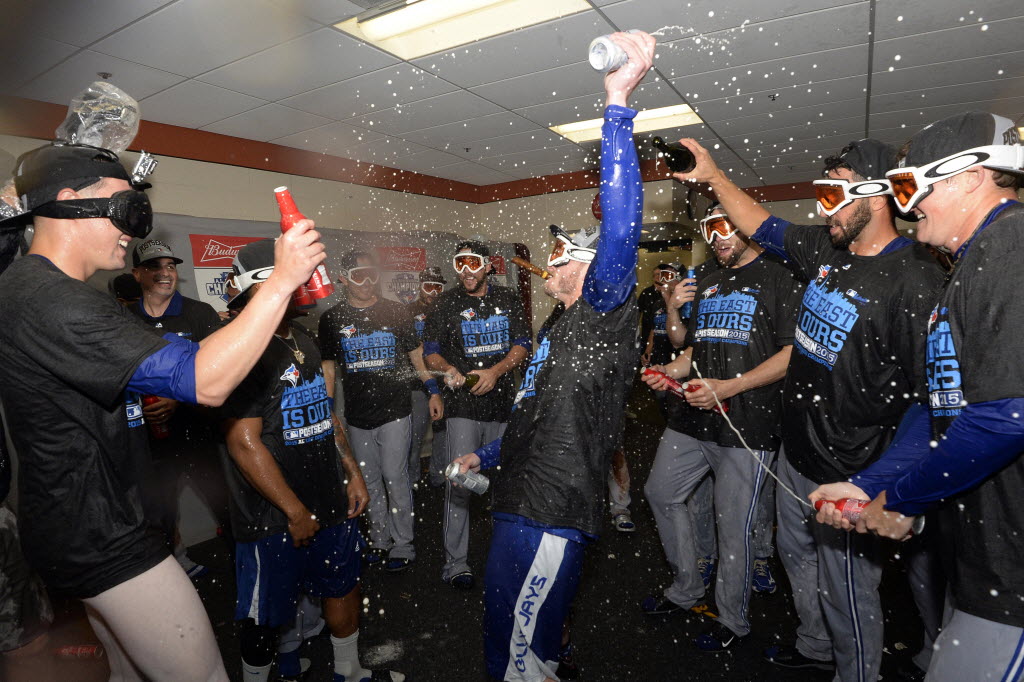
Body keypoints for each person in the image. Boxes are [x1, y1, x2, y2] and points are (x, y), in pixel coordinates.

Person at [0, 142, 326, 681]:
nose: (133, 228)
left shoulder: (37, 289)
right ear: (69, 202)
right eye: (122, 208)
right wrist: (283, 279)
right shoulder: (52, 298)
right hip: (104, 534)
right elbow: (207, 380)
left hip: (75, 523)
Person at [672, 135, 945, 680]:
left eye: (834, 194)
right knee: (796, 560)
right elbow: (765, 226)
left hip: (852, 468)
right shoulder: (828, 251)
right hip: (798, 454)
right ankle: (815, 646)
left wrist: (879, 483)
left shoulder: (916, 278)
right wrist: (715, 177)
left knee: (849, 595)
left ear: (878, 193)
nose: (825, 209)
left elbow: (933, 403)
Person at [450, 30, 653, 682]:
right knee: (511, 633)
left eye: (566, 253)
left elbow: (622, 225)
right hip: (519, 498)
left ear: (592, 268)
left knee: (519, 653)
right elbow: (532, 416)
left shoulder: (603, 308)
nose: (553, 261)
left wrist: (616, 105)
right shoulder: (558, 331)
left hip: (554, 510)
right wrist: (484, 457)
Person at [810, 112, 1024, 681]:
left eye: (910, 186)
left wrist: (903, 500)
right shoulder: (971, 264)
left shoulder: (1012, 245)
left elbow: (1006, 418)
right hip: (988, 557)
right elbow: (938, 411)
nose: (907, 205)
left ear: (970, 177)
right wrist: (870, 484)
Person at [221, 239, 404, 682]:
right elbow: (243, 442)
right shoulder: (237, 347)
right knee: (266, 614)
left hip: (328, 497)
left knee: (343, 585)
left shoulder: (302, 336)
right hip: (273, 514)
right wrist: (293, 510)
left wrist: (353, 474)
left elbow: (324, 412)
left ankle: (349, 671)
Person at [640, 203, 799, 651]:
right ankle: (686, 589)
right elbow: (692, 348)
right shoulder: (707, 276)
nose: (719, 236)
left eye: (728, 227)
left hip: (747, 422)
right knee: (660, 492)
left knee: (734, 526)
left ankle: (733, 619)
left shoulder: (779, 275)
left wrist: (730, 386)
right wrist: (670, 369)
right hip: (693, 416)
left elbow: (792, 354)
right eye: (710, 229)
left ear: (749, 226)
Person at [319, 251, 441, 572]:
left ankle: (403, 543)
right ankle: (379, 538)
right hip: (357, 415)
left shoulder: (396, 311)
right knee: (368, 480)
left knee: (395, 477)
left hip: (396, 410)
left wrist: (433, 389)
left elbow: (416, 356)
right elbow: (328, 370)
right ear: (343, 278)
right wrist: (325, 410)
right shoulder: (331, 319)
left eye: (372, 274)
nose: (367, 282)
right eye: (358, 275)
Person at [423, 240, 530, 589]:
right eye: (459, 264)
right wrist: (449, 368)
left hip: (502, 404)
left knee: (503, 483)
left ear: (487, 266)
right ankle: (456, 563)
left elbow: (523, 345)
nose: (466, 271)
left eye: (473, 263)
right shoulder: (445, 303)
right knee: (460, 482)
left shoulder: (508, 299)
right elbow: (431, 353)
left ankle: (507, 555)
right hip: (462, 407)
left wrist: (497, 371)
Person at [128, 238, 227, 580]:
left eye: (170, 266)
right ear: (137, 273)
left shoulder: (199, 313)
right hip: (151, 443)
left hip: (201, 435)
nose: (165, 273)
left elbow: (219, 372)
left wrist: (176, 396)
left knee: (227, 508)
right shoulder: (124, 319)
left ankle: (245, 572)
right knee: (159, 517)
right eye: (154, 267)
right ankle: (173, 578)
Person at [407, 266, 448, 488]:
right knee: (414, 435)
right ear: (420, 287)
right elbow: (407, 350)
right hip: (417, 383)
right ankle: (411, 479)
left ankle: (439, 477)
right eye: (428, 286)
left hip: (444, 380)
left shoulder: (448, 310)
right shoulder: (406, 311)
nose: (433, 292)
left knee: (443, 432)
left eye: (437, 287)